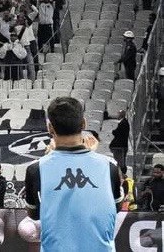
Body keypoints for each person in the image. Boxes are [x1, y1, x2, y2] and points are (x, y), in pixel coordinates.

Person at [25, 96, 122, 252]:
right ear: (84, 123)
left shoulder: (35, 170)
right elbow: (115, 208)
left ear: (50, 128)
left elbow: (34, 214)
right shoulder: (110, 167)